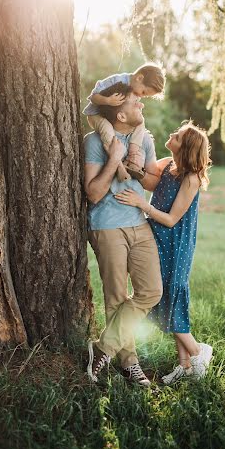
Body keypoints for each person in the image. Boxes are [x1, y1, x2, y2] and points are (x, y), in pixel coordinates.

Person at [115, 121, 213, 383]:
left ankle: (198, 351)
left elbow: (171, 219)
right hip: (157, 239)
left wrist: (140, 205)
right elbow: (148, 181)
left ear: (187, 148)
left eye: (178, 136)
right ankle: (185, 366)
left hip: (175, 243)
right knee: (164, 295)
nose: (172, 135)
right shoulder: (169, 164)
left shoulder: (190, 178)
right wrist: (130, 159)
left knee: (170, 294)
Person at [84, 82, 163, 386]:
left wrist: (140, 170)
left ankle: (103, 348)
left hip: (138, 222)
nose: (141, 105)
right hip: (106, 224)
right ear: (119, 115)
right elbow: (92, 193)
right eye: (135, 102)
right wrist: (114, 158)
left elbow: (152, 182)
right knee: (116, 298)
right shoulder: (94, 142)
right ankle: (129, 363)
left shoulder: (143, 139)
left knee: (151, 291)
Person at [83, 63, 166, 182]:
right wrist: (107, 100)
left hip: (115, 117)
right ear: (139, 78)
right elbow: (93, 97)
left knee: (141, 123)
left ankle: (132, 154)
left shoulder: (135, 90)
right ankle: (119, 166)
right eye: (143, 92)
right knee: (107, 130)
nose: (141, 96)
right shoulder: (117, 80)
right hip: (96, 115)